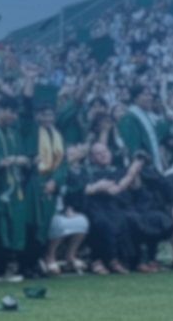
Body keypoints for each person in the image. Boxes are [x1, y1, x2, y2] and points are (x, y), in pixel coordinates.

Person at [80, 144, 145, 275]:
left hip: (110, 205)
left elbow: (126, 188)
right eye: (98, 154)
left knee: (122, 221)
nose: (103, 155)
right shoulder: (87, 171)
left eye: (105, 151)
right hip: (92, 205)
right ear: (92, 158)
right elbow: (113, 190)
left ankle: (115, 260)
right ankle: (97, 261)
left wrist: (133, 172)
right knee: (101, 223)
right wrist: (131, 172)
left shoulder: (116, 169)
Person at [0, 95, 28, 284]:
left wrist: (21, 160)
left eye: (15, 113)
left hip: (13, 186)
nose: (14, 116)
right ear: (0, 109)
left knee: (13, 228)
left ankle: (5, 269)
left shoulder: (12, 132)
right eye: (11, 112)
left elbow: (22, 154)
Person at [23, 102, 67, 279]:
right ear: (36, 116)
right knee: (31, 225)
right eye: (43, 115)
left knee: (44, 227)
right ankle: (26, 264)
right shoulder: (32, 131)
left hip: (50, 183)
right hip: (33, 183)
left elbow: (63, 163)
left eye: (50, 115)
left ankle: (37, 262)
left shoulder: (57, 135)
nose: (47, 119)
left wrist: (54, 182)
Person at [44, 144, 89, 275]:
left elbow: (72, 193)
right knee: (60, 224)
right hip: (51, 210)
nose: (71, 159)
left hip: (65, 209)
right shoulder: (53, 173)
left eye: (74, 155)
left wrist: (68, 207)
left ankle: (70, 255)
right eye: (68, 156)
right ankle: (50, 256)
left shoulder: (77, 174)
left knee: (82, 222)